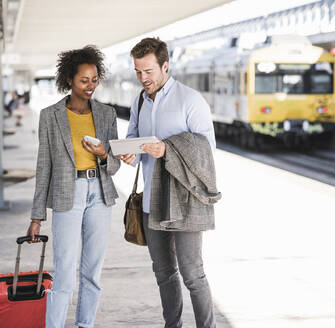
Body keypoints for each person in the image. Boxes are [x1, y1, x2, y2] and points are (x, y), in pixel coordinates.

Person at [120, 37, 218, 328]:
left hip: (186, 200)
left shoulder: (190, 100)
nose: (143, 78)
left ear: (165, 66)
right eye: (138, 71)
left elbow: (206, 151)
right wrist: (130, 153)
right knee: (163, 272)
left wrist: (168, 150)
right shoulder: (140, 100)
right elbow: (134, 137)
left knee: (193, 274)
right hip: (152, 200)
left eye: (148, 71)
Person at [26, 45, 120, 328]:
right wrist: (36, 216)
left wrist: (104, 154)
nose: (90, 86)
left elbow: (114, 166)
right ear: (69, 79)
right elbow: (44, 167)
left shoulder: (106, 114)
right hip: (68, 195)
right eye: (84, 80)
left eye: (94, 79)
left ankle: (85, 324)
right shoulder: (50, 116)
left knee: (92, 273)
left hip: (100, 196)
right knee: (65, 273)